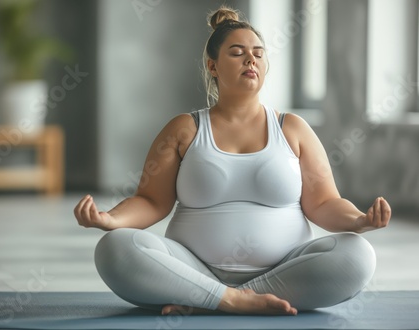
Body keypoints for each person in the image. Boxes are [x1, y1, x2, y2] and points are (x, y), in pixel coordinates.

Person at [74, 6, 391, 316]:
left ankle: (210, 299)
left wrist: (359, 220)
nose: (251, 58)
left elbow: (323, 203)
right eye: (237, 52)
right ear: (212, 66)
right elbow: (151, 201)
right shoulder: (184, 128)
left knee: (358, 255)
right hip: (192, 268)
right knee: (114, 248)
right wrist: (110, 220)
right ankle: (230, 299)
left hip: (285, 270)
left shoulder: (293, 128)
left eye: (258, 52)